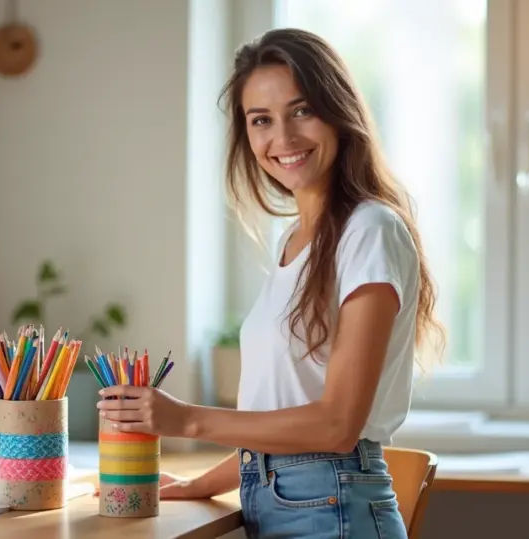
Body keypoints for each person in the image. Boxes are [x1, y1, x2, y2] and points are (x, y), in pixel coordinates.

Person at [96, 27, 444, 539]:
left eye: (301, 111)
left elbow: (336, 426)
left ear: (338, 112)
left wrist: (187, 419)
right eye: (261, 120)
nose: (282, 138)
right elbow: (281, 423)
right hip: (288, 499)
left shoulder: (369, 229)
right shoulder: (295, 241)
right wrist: (203, 482)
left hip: (335, 506)